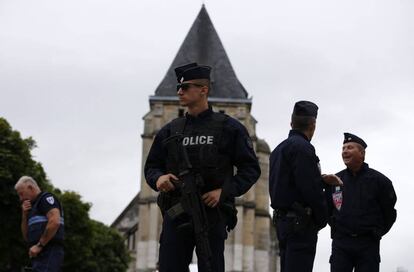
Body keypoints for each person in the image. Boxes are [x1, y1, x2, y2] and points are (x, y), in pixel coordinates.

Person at [144, 62, 261, 272]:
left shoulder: (229, 128)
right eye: (179, 88)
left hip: (211, 214)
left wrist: (223, 192)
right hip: (176, 212)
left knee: (210, 265)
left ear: (203, 90)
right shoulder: (170, 130)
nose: (180, 92)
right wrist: (158, 179)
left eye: (186, 87)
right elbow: (152, 167)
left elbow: (250, 169)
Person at [269, 100, 331, 272]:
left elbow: (284, 184)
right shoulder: (304, 148)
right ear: (313, 124)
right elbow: (310, 189)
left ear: (291, 123)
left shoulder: (277, 150)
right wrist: (321, 218)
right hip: (300, 224)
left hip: (283, 222)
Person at [326, 133, 397, 272]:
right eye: (343, 148)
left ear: (362, 153)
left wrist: (377, 232)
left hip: (368, 245)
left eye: (350, 147)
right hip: (341, 244)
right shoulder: (335, 181)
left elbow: (389, 212)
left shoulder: (380, 181)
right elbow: (328, 209)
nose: (345, 151)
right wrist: (336, 227)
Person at [15, 176, 64, 272]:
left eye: (21, 194)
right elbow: (26, 236)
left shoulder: (46, 199)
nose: (20, 198)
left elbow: (55, 221)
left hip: (49, 250)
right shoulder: (32, 208)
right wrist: (24, 215)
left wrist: (39, 245)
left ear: (30, 188)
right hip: (37, 254)